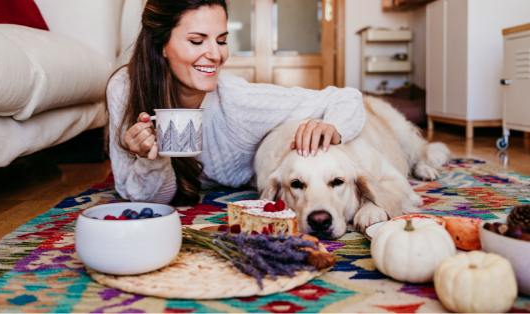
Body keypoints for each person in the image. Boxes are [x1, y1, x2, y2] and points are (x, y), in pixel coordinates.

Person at [107, 0, 366, 206]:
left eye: (221, 40)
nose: (216, 54)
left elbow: (346, 97)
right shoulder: (125, 88)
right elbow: (146, 200)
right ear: (160, 44)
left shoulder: (240, 102)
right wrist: (151, 158)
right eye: (197, 41)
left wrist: (332, 126)